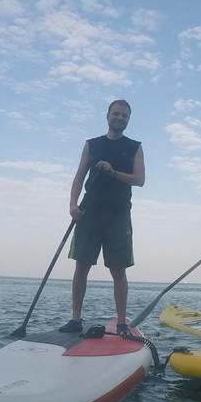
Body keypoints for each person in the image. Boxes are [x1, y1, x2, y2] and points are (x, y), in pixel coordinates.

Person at [60, 100, 145, 334]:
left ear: (128, 120)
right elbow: (79, 177)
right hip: (90, 211)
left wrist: (114, 172)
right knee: (82, 265)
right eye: (116, 114)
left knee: (118, 269)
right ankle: (76, 319)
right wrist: (73, 205)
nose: (119, 118)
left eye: (124, 115)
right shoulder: (92, 145)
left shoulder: (135, 146)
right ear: (107, 116)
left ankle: (121, 323)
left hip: (118, 213)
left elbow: (140, 180)